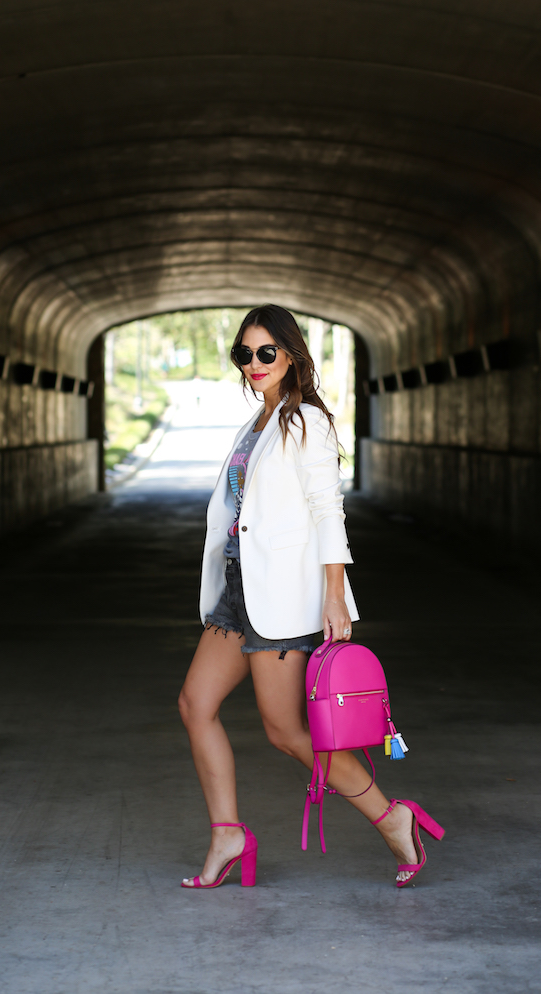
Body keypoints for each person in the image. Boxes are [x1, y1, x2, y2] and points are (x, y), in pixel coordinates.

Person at [178, 304, 442, 889]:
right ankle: (228, 834)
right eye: (243, 354)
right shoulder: (258, 423)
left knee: (288, 732)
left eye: (265, 352)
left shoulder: (307, 422)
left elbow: (328, 513)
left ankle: (392, 817)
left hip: (282, 596)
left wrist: (334, 596)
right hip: (237, 590)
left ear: (292, 354)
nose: (254, 363)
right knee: (196, 704)